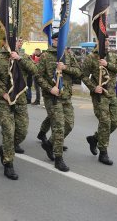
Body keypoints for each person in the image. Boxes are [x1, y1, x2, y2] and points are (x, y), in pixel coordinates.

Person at [0, 39, 36, 180]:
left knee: (22, 131)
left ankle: (4, 149)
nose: (19, 42)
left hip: (20, 100)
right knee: (9, 131)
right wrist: (2, 93)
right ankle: (8, 163)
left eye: (20, 40)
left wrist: (19, 59)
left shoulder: (24, 57)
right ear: (5, 42)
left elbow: (34, 70)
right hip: (4, 101)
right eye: (16, 40)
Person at [35, 32, 81, 172]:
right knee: (59, 126)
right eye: (57, 39)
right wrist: (50, 89)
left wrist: (65, 68)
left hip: (66, 96)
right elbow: (38, 76)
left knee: (69, 124)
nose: (59, 42)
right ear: (53, 40)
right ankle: (58, 158)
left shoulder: (68, 55)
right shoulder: (45, 56)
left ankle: (49, 143)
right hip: (52, 97)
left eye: (61, 40)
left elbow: (79, 72)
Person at [82, 38, 117, 165]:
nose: (106, 42)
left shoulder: (113, 56)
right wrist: (93, 87)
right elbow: (83, 75)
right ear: (98, 41)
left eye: (108, 40)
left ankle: (94, 138)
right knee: (105, 122)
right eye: (104, 39)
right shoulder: (91, 58)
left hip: (111, 94)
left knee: (115, 122)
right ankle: (103, 152)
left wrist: (108, 64)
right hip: (100, 94)